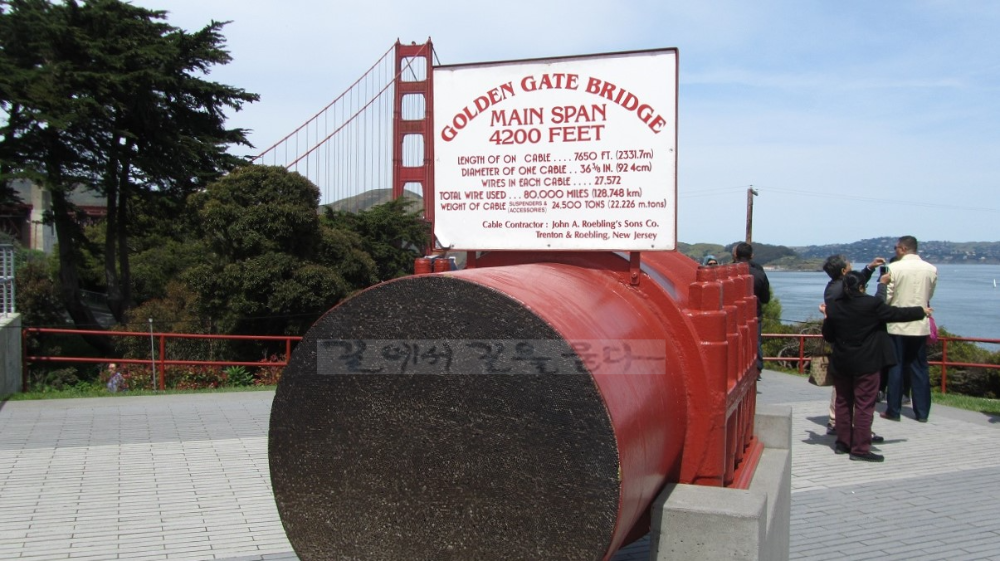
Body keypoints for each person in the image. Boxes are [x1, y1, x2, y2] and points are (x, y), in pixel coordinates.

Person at [822, 271, 930, 462]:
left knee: (843, 402)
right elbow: (896, 314)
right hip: (867, 361)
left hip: (842, 361)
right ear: (862, 287)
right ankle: (860, 448)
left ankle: (843, 442)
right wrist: (921, 311)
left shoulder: (834, 306)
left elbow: (829, 335)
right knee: (864, 405)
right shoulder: (871, 304)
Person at [820, 254, 886, 435]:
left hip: (843, 343)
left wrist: (870, 268)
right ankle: (847, 426)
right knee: (849, 390)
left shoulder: (834, 287)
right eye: (849, 264)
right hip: (851, 346)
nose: (851, 265)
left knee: (844, 389)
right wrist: (882, 285)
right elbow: (863, 294)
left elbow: (858, 281)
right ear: (843, 271)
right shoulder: (841, 291)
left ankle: (841, 425)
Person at [882, 236, 938, 422]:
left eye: (896, 247)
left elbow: (887, 297)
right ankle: (922, 412)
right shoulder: (931, 269)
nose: (895, 250)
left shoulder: (894, 268)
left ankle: (894, 410)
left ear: (904, 249)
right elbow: (929, 294)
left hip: (897, 324)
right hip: (919, 324)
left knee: (895, 366)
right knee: (920, 367)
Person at [732, 242, 770, 379]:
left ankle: (733, 368)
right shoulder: (759, 274)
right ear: (752, 255)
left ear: (735, 254)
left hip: (733, 315)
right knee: (755, 341)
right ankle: (757, 368)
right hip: (754, 313)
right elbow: (766, 298)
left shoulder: (729, 272)